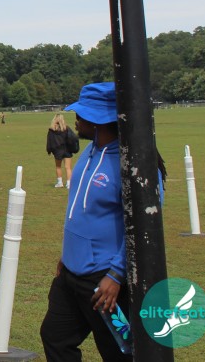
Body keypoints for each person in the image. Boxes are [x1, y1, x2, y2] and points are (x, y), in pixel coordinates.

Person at [40, 82, 163, 362]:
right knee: (55, 337)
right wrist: (68, 255)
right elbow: (82, 212)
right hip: (70, 274)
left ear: (100, 120)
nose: (76, 119)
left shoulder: (134, 163)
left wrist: (116, 274)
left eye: (82, 115)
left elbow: (145, 229)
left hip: (105, 282)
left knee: (120, 351)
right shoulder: (90, 151)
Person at [46, 113, 78, 189]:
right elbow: (73, 138)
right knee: (68, 167)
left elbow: (49, 141)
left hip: (58, 151)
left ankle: (60, 183)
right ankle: (69, 184)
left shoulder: (51, 130)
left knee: (58, 167)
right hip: (67, 150)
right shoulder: (67, 129)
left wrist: (49, 150)